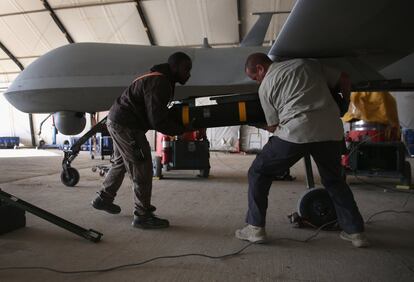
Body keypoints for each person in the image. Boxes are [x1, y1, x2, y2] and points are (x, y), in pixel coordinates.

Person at [235, 53, 369, 248]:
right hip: (330, 131)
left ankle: (255, 228)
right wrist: (344, 103)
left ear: (261, 69)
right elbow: (345, 78)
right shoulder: (307, 63)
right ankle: (356, 232)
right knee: (334, 181)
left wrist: (259, 124)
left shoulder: (266, 86)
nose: (257, 82)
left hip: (296, 133)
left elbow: (273, 125)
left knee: (258, 171)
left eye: (255, 77)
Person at [91, 52, 192, 229]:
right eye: (186, 69)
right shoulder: (160, 82)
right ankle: (142, 215)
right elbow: (157, 119)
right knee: (142, 165)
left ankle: (103, 199)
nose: (188, 74)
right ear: (174, 67)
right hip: (126, 125)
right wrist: (180, 131)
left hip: (117, 121)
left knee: (121, 162)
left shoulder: (159, 78)